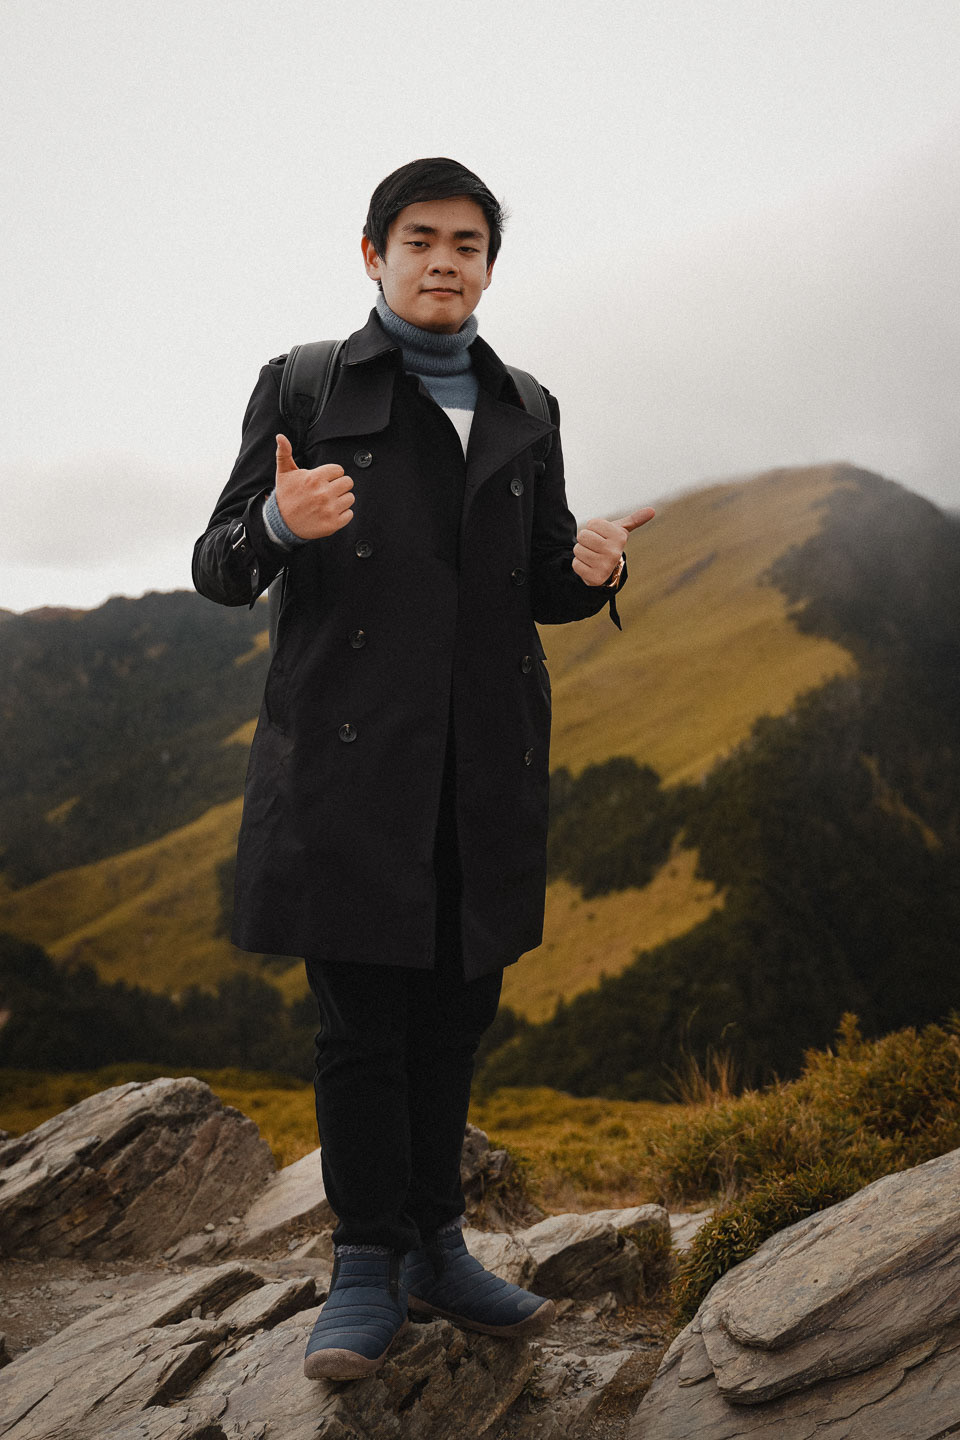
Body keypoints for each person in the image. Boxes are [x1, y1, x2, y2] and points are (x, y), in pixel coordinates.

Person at [192, 157, 654, 1382]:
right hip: (348, 763)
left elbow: (536, 580)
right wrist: (277, 524)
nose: (445, 260)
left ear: (490, 264)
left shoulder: (528, 403)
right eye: (420, 239)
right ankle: (365, 1266)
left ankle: (439, 1249)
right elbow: (218, 561)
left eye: (468, 243)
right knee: (361, 1024)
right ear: (374, 255)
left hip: (483, 761)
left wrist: (592, 571)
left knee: (457, 1011)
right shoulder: (304, 384)